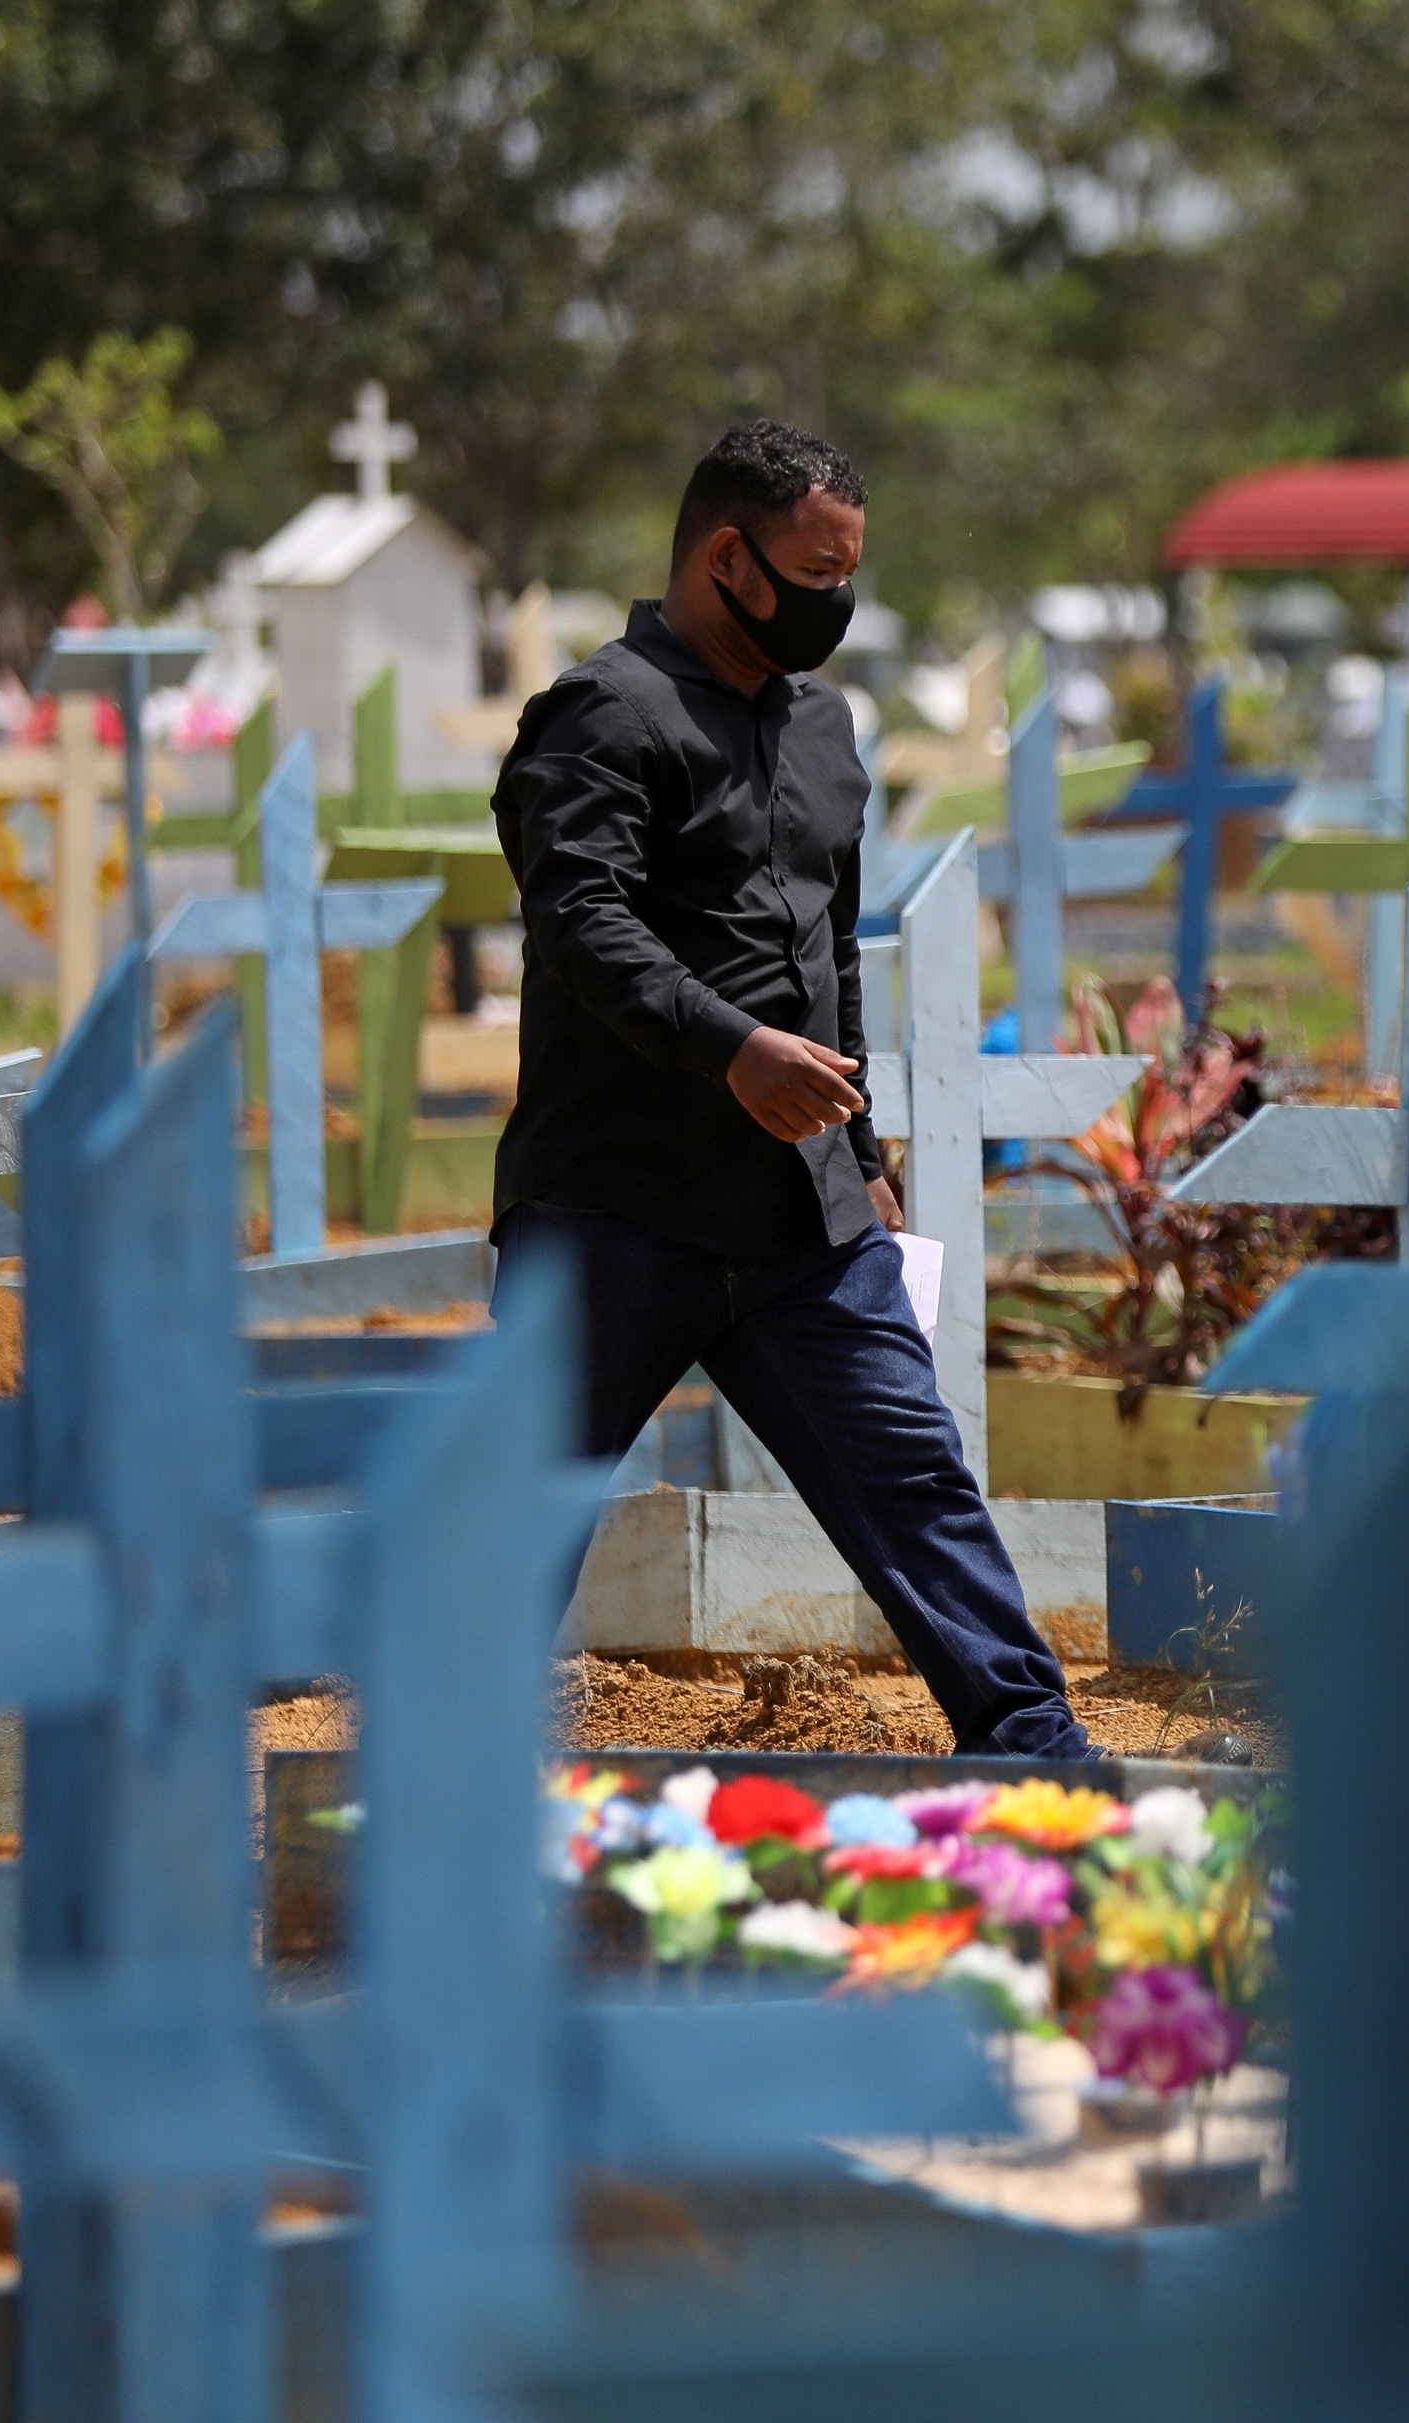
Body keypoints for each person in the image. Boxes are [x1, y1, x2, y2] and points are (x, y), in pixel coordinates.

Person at [490, 419, 1094, 1759]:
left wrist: (862, 1145)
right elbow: (582, 925)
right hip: (610, 1214)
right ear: (728, 558)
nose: (839, 600)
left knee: (917, 1487)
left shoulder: (825, 729)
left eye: (849, 571)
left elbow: (828, 955)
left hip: (800, 1222)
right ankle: (416, 1808)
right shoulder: (600, 718)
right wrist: (732, 1052)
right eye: (818, 571)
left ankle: (1037, 1754)